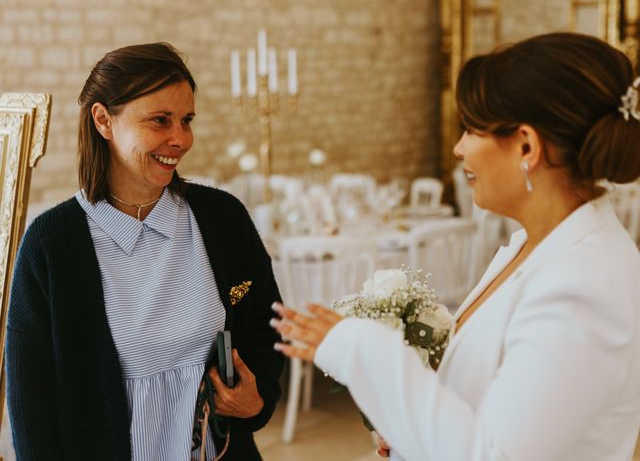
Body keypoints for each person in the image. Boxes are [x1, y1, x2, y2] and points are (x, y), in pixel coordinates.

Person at [270, 32, 640, 460]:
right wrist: (409, 427)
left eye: (471, 129)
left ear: (526, 146)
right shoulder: (532, 246)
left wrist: (364, 348)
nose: (458, 147)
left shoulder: (585, 287)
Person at [6, 42, 283, 460]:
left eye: (187, 120)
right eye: (160, 120)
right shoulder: (51, 244)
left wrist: (256, 400)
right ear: (104, 120)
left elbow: (268, 328)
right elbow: (31, 410)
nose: (181, 139)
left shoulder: (223, 219)